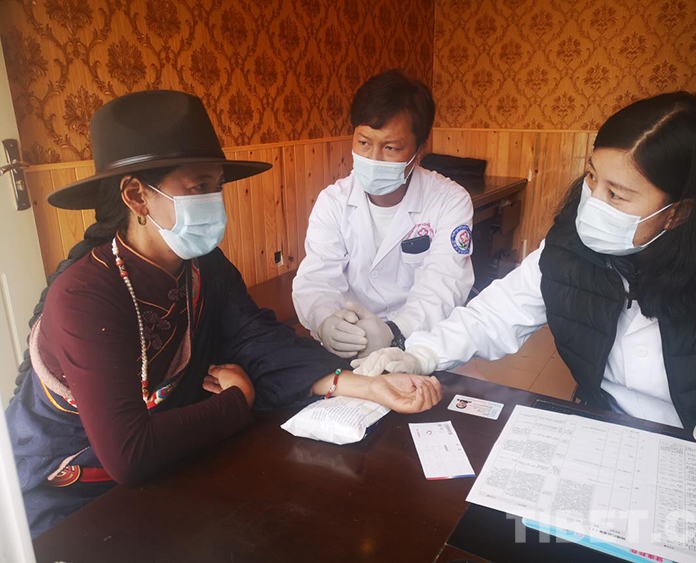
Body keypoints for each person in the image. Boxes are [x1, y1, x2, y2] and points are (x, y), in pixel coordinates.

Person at [5, 90, 442, 537]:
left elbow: (259, 341)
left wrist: (369, 386)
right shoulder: (84, 296)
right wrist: (237, 402)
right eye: (198, 188)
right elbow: (130, 454)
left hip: (172, 464)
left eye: (216, 186)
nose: (214, 201)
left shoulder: (203, 267)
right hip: (71, 493)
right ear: (137, 196)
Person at [353, 92, 696, 461]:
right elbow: (496, 314)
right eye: (592, 177)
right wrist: (421, 353)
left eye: (616, 195)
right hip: (605, 428)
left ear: (679, 212)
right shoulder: (569, 248)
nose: (592, 203)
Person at [292, 69, 474, 359]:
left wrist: (396, 331)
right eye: (364, 143)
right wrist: (326, 321)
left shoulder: (449, 201)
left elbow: (443, 284)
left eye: (390, 147)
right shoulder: (333, 201)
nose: (373, 158)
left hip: (419, 342)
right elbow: (317, 277)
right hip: (351, 342)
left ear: (419, 149)